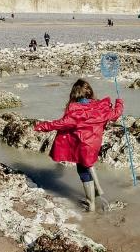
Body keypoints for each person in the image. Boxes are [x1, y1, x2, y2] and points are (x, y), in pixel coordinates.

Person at [33, 79, 124, 212]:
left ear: (74, 94)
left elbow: (58, 124)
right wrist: (119, 103)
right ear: (90, 92)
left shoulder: (75, 113)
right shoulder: (101, 108)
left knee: (82, 171)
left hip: (82, 146)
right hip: (94, 145)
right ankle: (98, 190)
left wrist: (41, 126)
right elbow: (116, 113)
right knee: (89, 164)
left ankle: (91, 204)